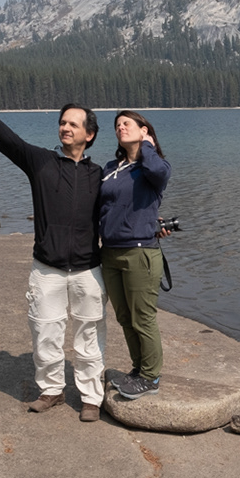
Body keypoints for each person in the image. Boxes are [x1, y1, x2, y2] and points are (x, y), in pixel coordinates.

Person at [0, 75, 106, 422]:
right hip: (47, 269)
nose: (65, 128)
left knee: (90, 336)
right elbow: (5, 139)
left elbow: (126, 210)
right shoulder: (41, 163)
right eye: (62, 122)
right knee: (45, 331)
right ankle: (52, 390)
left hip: (88, 270)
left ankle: (90, 397)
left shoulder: (101, 175)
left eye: (73, 123)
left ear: (89, 134)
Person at [100, 111, 172, 400]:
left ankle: (151, 376)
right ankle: (138, 368)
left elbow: (160, 174)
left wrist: (148, 148)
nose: (120, 128)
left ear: (144, 130)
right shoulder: (110, 167)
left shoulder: (152, 166)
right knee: (124, 317)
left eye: (126, 123)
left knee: (143, 317)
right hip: (110, 253)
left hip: (140, 253)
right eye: (117, 125)